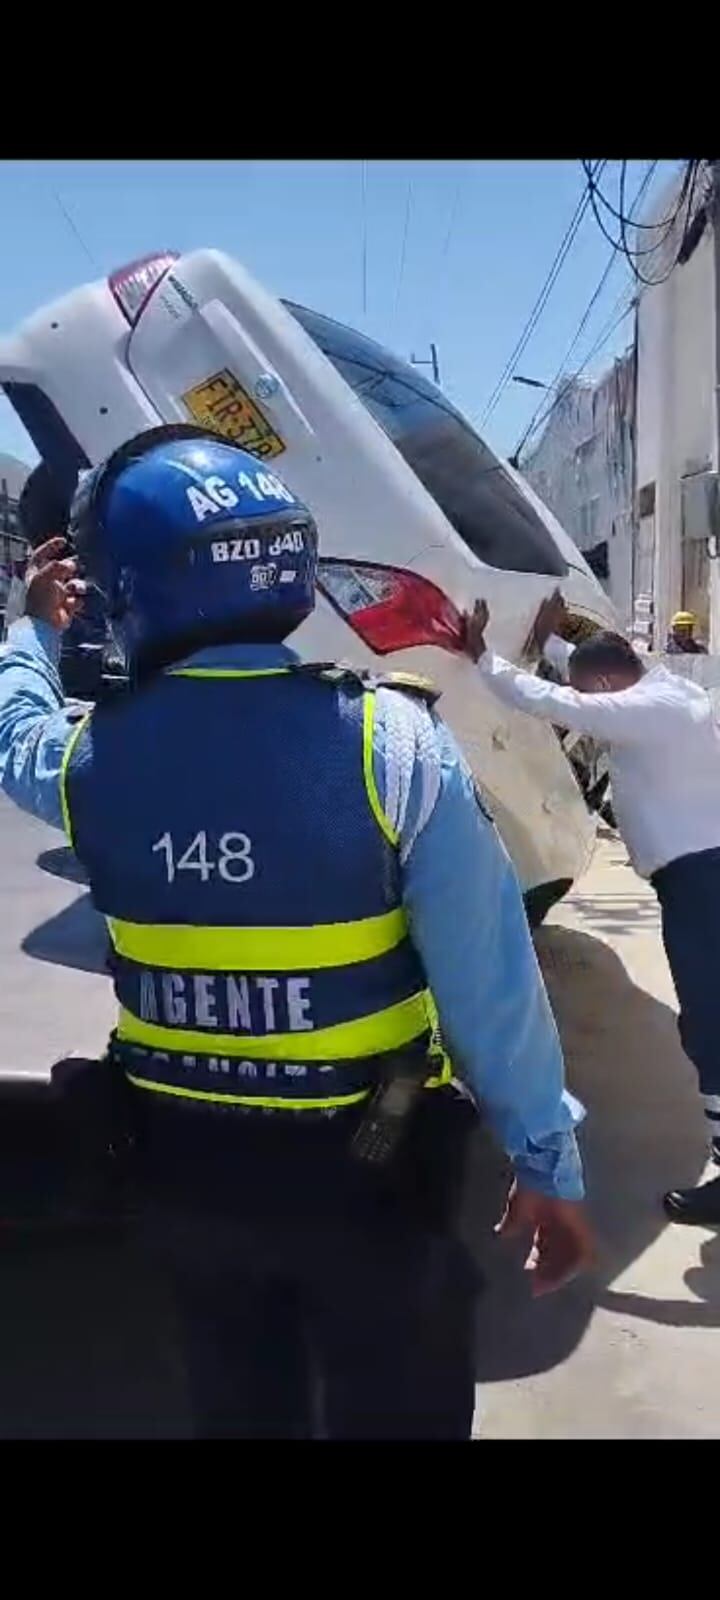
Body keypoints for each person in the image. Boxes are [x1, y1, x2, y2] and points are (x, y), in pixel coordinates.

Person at [0, 427, 593, 1439]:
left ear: (129, 589)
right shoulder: (393, 744)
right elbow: (490, 986)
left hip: (184, 1179)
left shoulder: (88, 763)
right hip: (375, 1180)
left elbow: (14, 727)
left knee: (240, 1404)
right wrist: (548, 1164)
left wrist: (31, 631)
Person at [464, 591, 720, 1228]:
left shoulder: (644, 708)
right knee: (709, 1024)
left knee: (711, 1027)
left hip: (701, 883)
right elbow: (595, 676)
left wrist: (484, 660)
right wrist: (554, 645)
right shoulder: (668, 694)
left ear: (610, 685)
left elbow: (566, 701)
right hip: (700, 875)